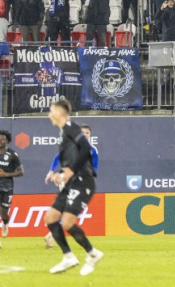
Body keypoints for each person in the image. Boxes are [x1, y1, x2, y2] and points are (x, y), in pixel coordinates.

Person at [44, 99, 104, 275]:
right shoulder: (64, 132)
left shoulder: (72, 127)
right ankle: (68, 257)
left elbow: (86, 148)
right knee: (50, 218)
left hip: (83, 181)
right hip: (71, 182)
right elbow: (70, 156)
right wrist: (59, 174)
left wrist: (70, 171)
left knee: (68, 222)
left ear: (60, 113)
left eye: (51, 111)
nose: (49, 114)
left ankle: (92, 254)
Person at [0, 129, 24, 240]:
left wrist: (5, 174)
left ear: (7, 140)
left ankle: (5, 223)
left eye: (3, 139)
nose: (1, 140)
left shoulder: (12, 154)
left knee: (4, 213)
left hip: (7, 186)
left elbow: (21, 172)